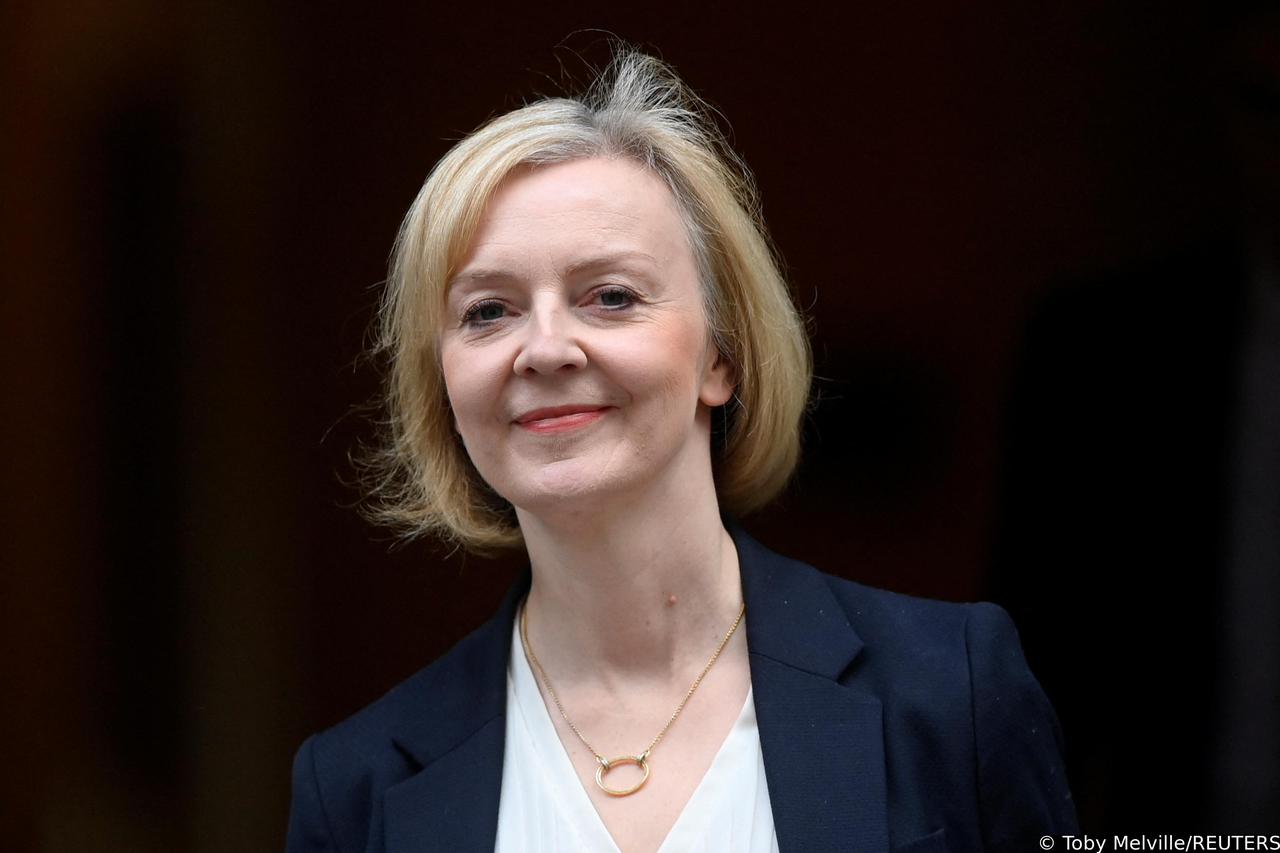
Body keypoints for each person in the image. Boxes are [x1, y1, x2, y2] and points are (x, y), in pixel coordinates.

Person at [286, 49, 1077, 852]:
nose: (545, 348)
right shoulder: (355, 787)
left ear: (720, 355)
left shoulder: (952, 691)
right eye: (488, 311)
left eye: (611, 296)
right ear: (445, 382)